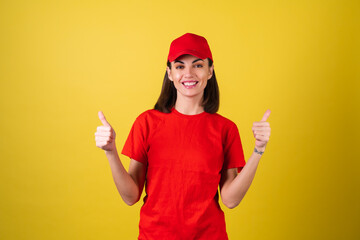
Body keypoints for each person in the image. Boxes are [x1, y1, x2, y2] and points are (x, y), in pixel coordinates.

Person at [95, 33, 271, 240]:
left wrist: (258, 150)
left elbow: (230, 200)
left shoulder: (225, 129)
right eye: (179, 66)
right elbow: (131, 196)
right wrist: (111, 151)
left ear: (210, 71)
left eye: (197, 65)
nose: (189, 73)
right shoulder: (147, 123)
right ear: (169, 73)